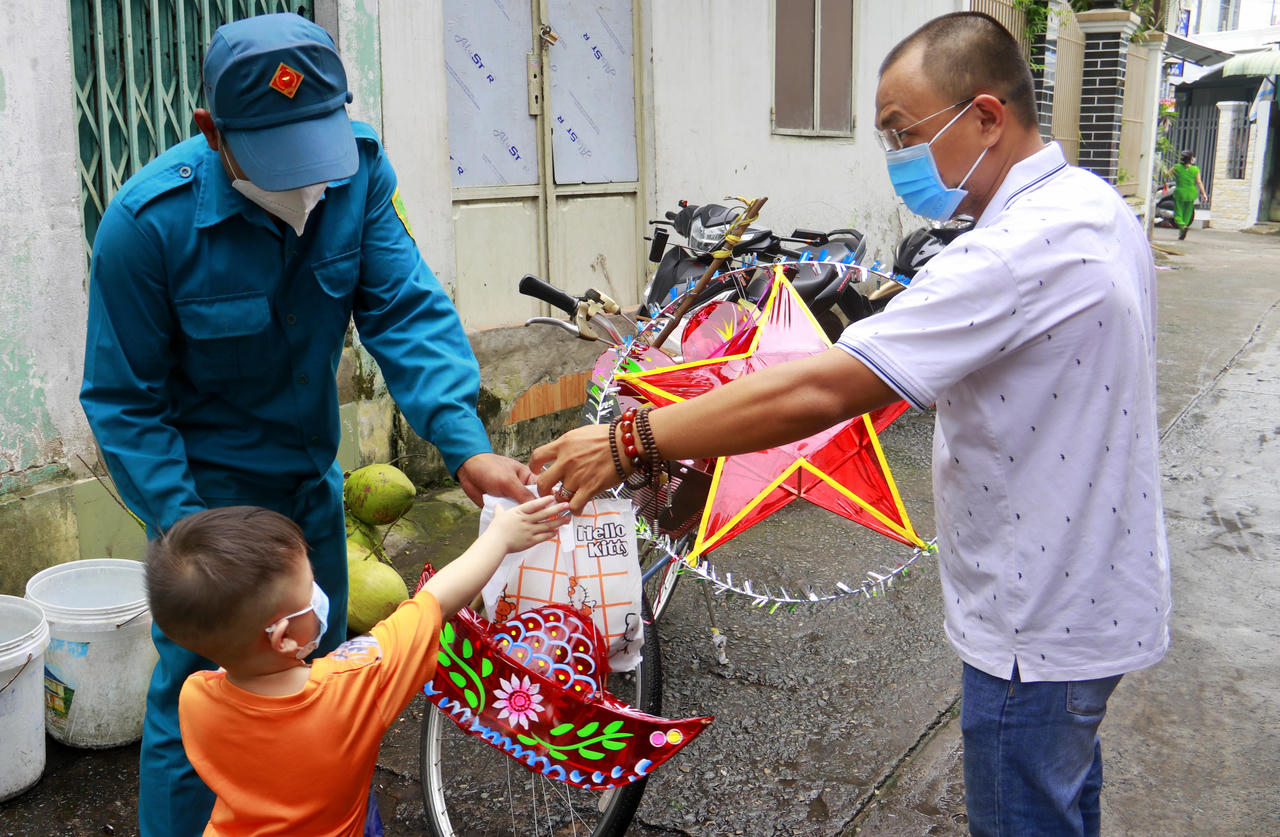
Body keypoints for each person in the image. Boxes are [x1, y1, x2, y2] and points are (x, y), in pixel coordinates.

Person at [531, 13, 1170, 837]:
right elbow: (921, 383)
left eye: (905, 134)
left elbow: (832, 387)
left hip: (1035, 625)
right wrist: (713, 471)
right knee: (1061, 802)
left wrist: (634, 439)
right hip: (1096, 597)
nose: (897, 159)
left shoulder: (1012, 253)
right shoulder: (1088, 205)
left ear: (985, 115)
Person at [78, 13, 533, 836]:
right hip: (210, 514)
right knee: (196, 705)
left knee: (318, 680)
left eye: (314, 153)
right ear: (211, 133)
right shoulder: (146, 228)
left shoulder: (356, 173)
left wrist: (464, 443)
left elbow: (404, 307)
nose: (306, 187)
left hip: (309, 498)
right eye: (277, 160)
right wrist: (195, 541)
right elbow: (123, 401)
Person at [144, 495, 566, 836]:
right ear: (283, 637)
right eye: (309, 590)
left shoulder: (196, 696)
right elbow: (434, 602)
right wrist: (501, 537)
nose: (319, 594)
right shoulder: (354, 685)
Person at [1171, 150, 1208, 240]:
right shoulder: (1195, 169)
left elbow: (1167, 175)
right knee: (1187, 213)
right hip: (1191, 193)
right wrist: (1204, 194)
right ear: (1191, 159)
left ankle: (1182, 226)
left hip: (1180, 192)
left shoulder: (1177, 167)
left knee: (1178, 212)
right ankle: (1183, 229)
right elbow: (1199, 182)